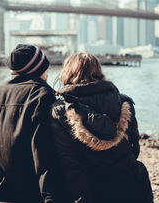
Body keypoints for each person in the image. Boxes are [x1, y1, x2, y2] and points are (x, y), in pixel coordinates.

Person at [0, 44, 69, 203]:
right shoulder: (42, 96)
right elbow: (44, 155)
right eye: (46, 68)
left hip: (4, 191)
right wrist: (52, 198)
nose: (48, 72)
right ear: (38, 70)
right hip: (34, 195)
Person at [50, 53, 153, 203]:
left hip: (93, 189)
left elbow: (71, 164)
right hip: (132, 184)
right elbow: (134, 149)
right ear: (98, 71)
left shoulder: (60, 111)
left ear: (67, 72)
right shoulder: (124, 102)